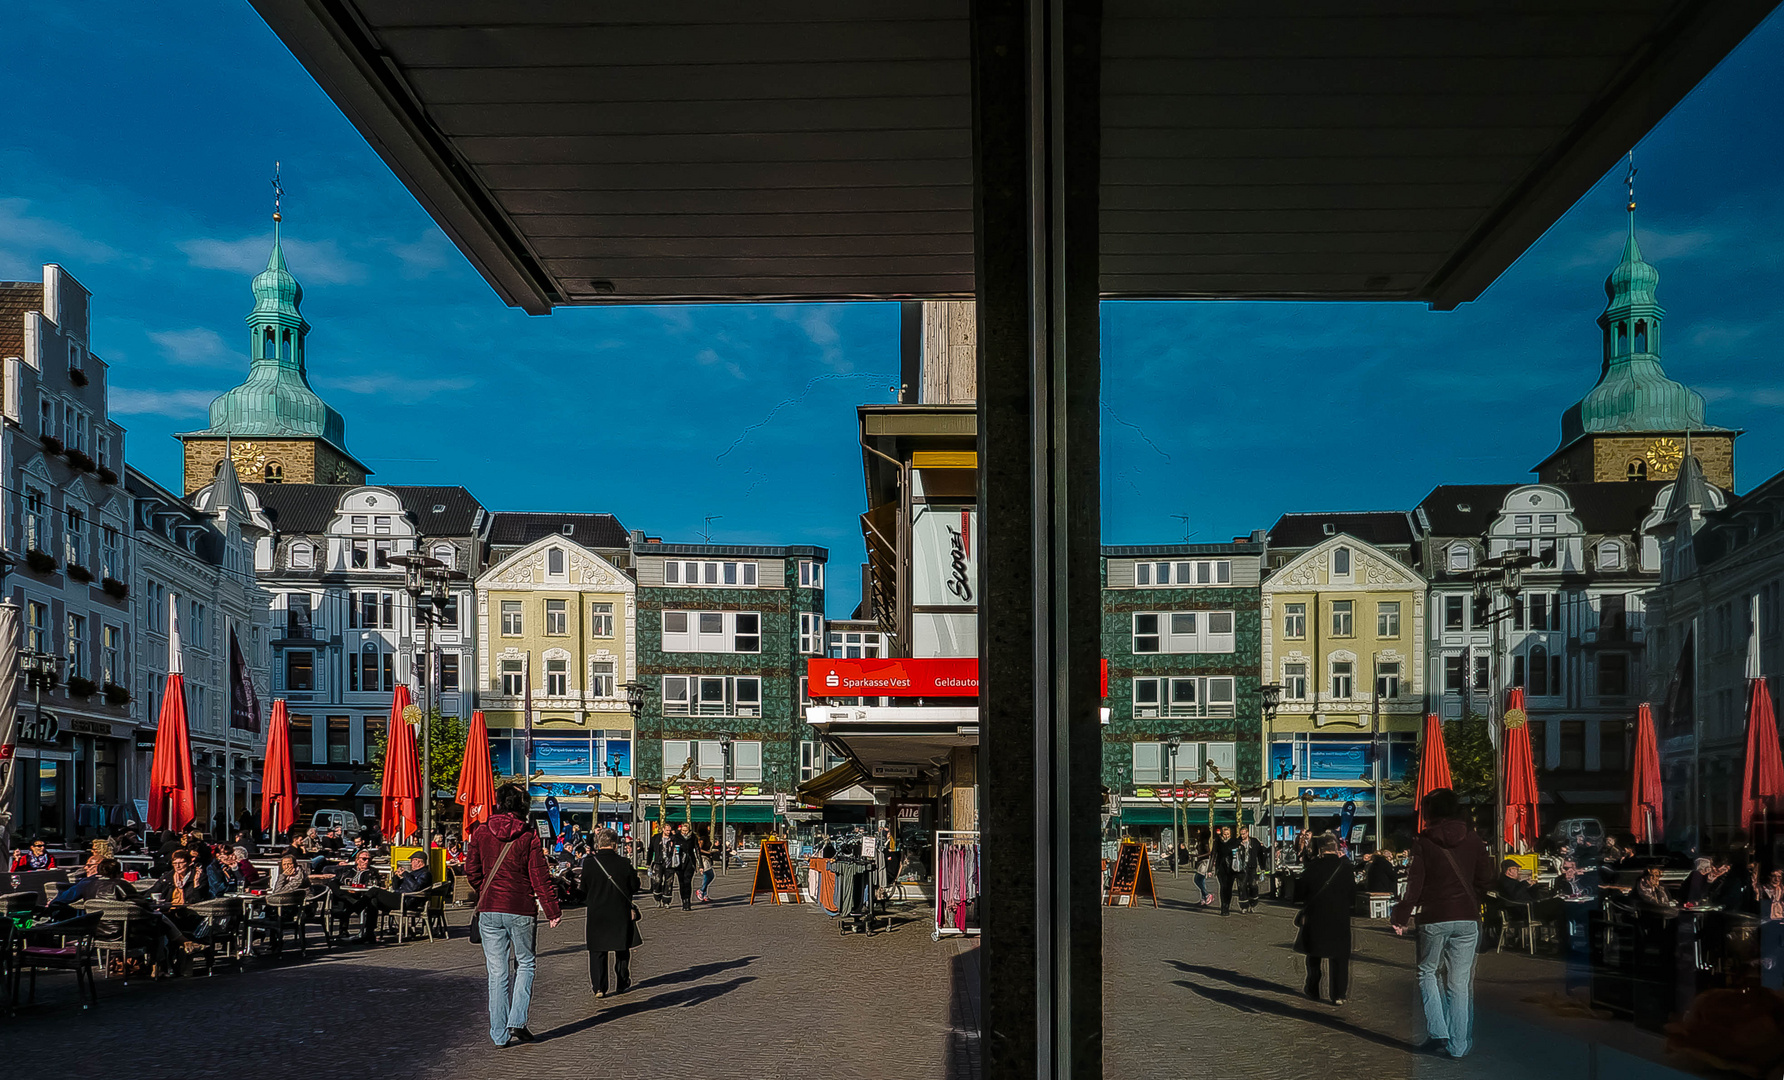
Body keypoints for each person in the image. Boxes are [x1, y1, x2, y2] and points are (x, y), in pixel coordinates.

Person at [1391, 788, 1493, 1060]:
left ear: (1430, 812)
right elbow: (1485, 880)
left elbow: (1415, 884)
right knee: (1460, 984)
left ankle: (1438, 1032)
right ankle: (1459, 1045)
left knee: (1427, 972)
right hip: (1468, 918)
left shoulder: (1424, 842)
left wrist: (1401, 915)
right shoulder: (1474, 840)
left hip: (1434, 917)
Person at [466, 783, 561, 1048]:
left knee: (497, 973)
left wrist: (484, 889)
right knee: (526, 964)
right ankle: (517, 1019)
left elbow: (471, 870)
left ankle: (498, 1033)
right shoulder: (528, 835)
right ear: (524, 806)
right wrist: (552, 909)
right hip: (520, 907)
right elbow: (539, 876)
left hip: (489, 908)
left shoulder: (481, 832)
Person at [1295, 833, 1357, 1005]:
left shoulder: (1312, 867)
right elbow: (1353, 895)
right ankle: (1339, 994)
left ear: (1320, 850)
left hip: (1316, 917)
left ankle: (1313, 988)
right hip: (1340, 918)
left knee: (1314, 954)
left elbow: (1299, 893)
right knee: (1340, 957)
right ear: (1336, 848)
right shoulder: (1346, 868)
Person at [583, 827, 641, 999]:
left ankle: (599, 987)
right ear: (615, 844)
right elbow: (635, 886)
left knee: (597, 950)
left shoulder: (589, 863)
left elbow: (583, 888)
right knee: (621, 949)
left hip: (597, 913)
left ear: (599, 844)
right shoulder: (623, 863)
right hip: (619, 911)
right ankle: (622, 982)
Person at [1229, 824, 1267, 914]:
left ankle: (1253, 903)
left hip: (1252, 867)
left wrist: (1262, 868)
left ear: (1247, 833)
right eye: (1241, 834)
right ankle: (1244, 906)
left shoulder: (1254, 842)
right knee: (1242, 887)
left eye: (1244, 834)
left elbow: (1260, 854)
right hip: (1241, 868)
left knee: (1253, 885)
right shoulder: (1237, 842)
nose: (1242, 836)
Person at [671, 823, 699, 911]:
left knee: (688, 881)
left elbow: (697, 849)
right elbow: (671, 848)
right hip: (679, 862)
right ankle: (683, 900)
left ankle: (687, 902)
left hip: (689, 861)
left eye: (686, 831)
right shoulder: (676, 837)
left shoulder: (693, 837)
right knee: (681, 882)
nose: (685, 833)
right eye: (683, 831)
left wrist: (700, 864)